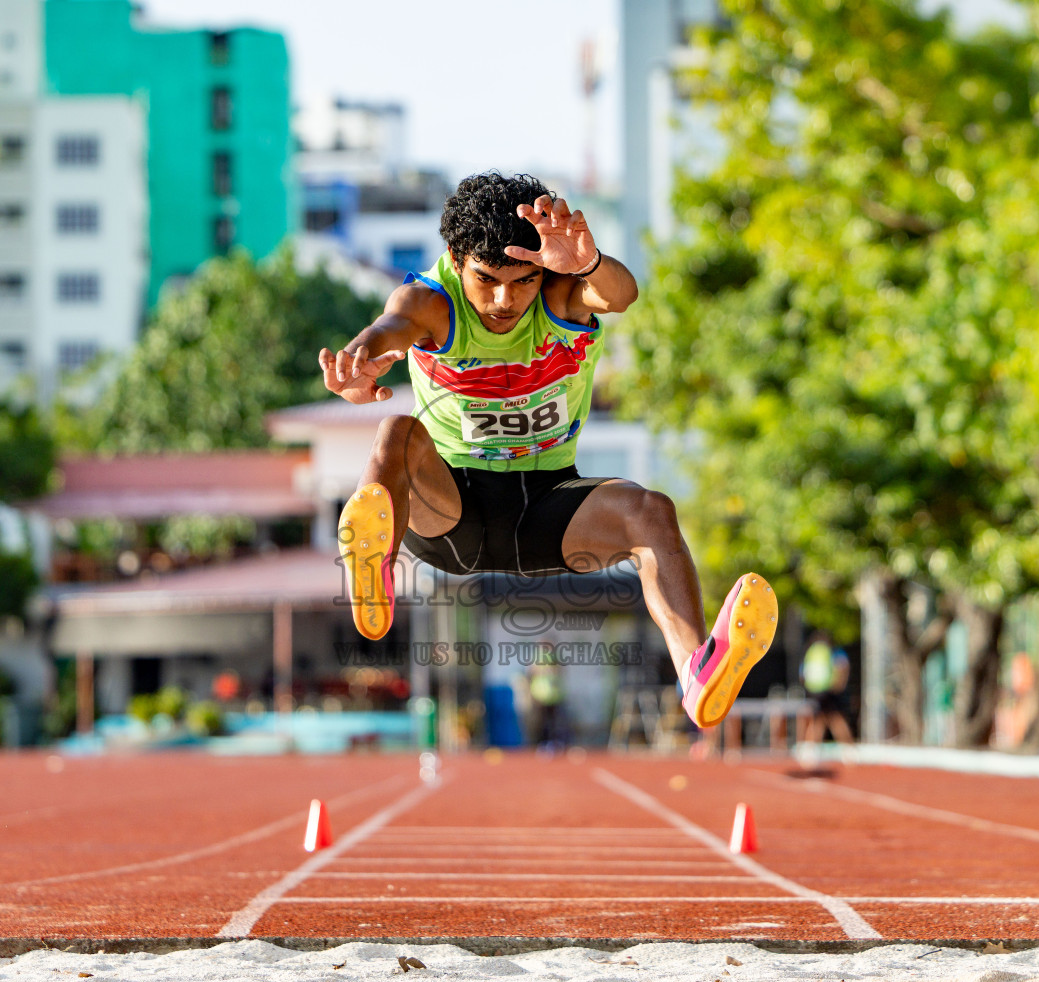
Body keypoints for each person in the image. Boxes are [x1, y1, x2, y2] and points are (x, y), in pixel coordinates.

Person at [319, 172, 776, 729]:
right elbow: (390, 326)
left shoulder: (562, 293)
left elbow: (620, 295)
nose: (505, 299)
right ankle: (372, 567)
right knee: (395, 432)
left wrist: (586, 264)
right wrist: (359, 358)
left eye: (524, 280)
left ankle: (696, 673)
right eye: (486, 279)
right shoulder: (430, 303)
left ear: (543, 269)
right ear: (455, 260)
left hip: (547, 508)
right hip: (452, 510)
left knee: (652, 511)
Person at [799, 631, 855, 747]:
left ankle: (811, 747)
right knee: (833, 717)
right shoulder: (832, 651)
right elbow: (842, 666)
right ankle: (847, 746)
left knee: (820, 718)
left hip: (813, 690)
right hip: (827, 689)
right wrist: (839, 685)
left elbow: (802, 673)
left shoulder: (811, 651)